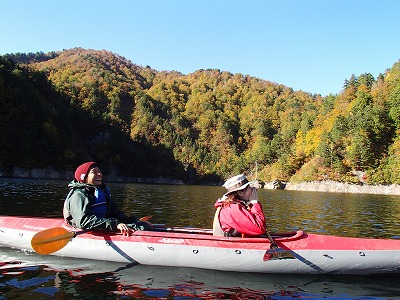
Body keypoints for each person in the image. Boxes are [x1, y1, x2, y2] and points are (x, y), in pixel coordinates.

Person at [63, 162, 152, 236]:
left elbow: (116, 213)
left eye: (99, 171)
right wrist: (115, 225)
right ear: (84, 177)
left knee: (143, 225)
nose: (99, 174)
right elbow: (83, 220)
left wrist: (134, 220)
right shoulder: (79, 195)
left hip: (103, 225)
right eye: (94, 172)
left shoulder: (100, 191)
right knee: (142, 228)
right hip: (87, 228)